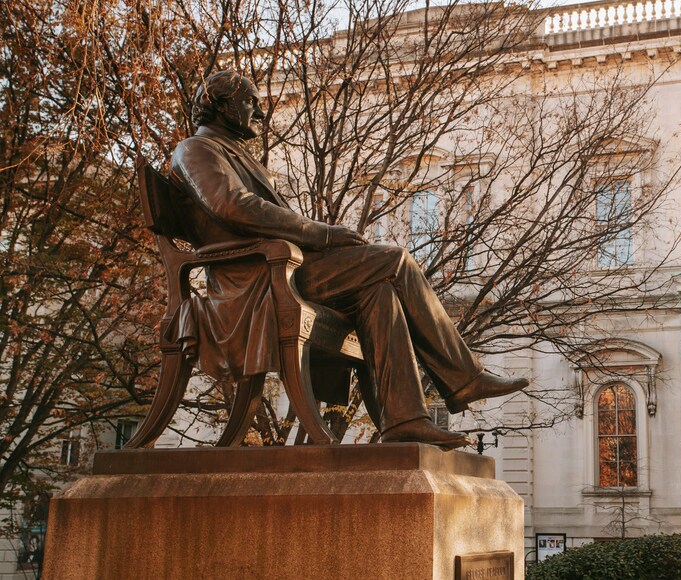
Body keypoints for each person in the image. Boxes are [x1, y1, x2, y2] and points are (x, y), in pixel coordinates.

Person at [169, 71, 528, 448]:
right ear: (220, 105)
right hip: (255, 283)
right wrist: (321, 233)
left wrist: (328, 243)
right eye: (250, 102)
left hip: (281, 271)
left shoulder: (234, 156)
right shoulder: (196, 150)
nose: (260, 112)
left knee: (380, 294)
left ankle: (405, 420)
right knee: (395, 261)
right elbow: (233, 206)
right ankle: (465, 377)